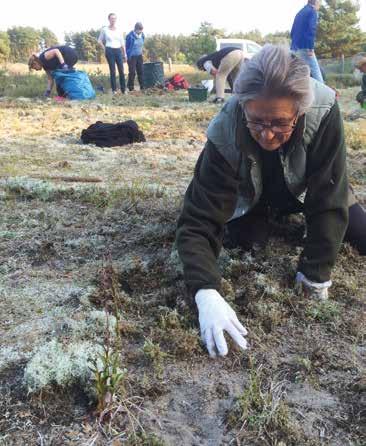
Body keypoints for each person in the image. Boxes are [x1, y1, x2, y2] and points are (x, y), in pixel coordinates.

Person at [176, 45, 366, 359]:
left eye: (280, 124)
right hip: (251, 195)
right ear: (243, 106)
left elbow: (328, 196)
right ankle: (262, 216)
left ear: (300, 111)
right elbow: (197, 219)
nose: (266, 136)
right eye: (257, 122)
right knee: (247, 240)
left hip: (304, 188)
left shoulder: (324, 110)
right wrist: (205, 290)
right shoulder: (226, 126)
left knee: (356, 229)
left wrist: (315, 273)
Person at [291, 0, 324, 83]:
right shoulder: (312, 11)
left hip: (295, 48)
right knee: (316, 72)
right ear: (316, 1)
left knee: (299, 73)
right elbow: (311, 29)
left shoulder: (300, 12)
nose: (320, 4)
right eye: (320, 1)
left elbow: (292, 31)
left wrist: (294, 44)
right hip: (305, 47)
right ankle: (323, 94)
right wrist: (310, 47)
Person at [98, 13, 126, 95]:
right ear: (109, 19)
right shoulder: (105, 29)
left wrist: (125, 54)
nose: (113, 20)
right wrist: (105, 48)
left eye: (114, 18)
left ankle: (123, 90)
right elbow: (99, 41)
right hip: (109, 50)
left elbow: (122, 43)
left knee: (121, 70)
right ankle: (114, 90)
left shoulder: (119, 30)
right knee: (113, 71)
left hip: (118, 50)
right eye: (111, 18)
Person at [126, 22, 145, 92]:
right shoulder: (130, 36)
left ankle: (142, 87)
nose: (140, 31)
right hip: (132, 56)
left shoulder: (142, 35)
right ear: (135, 29)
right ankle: (130, 87)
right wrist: (127, 56)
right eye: (139, 30)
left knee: (141, 71)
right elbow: (127, 47)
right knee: (132, 72)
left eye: (141, 30)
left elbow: (142, 44)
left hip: (139, 56)